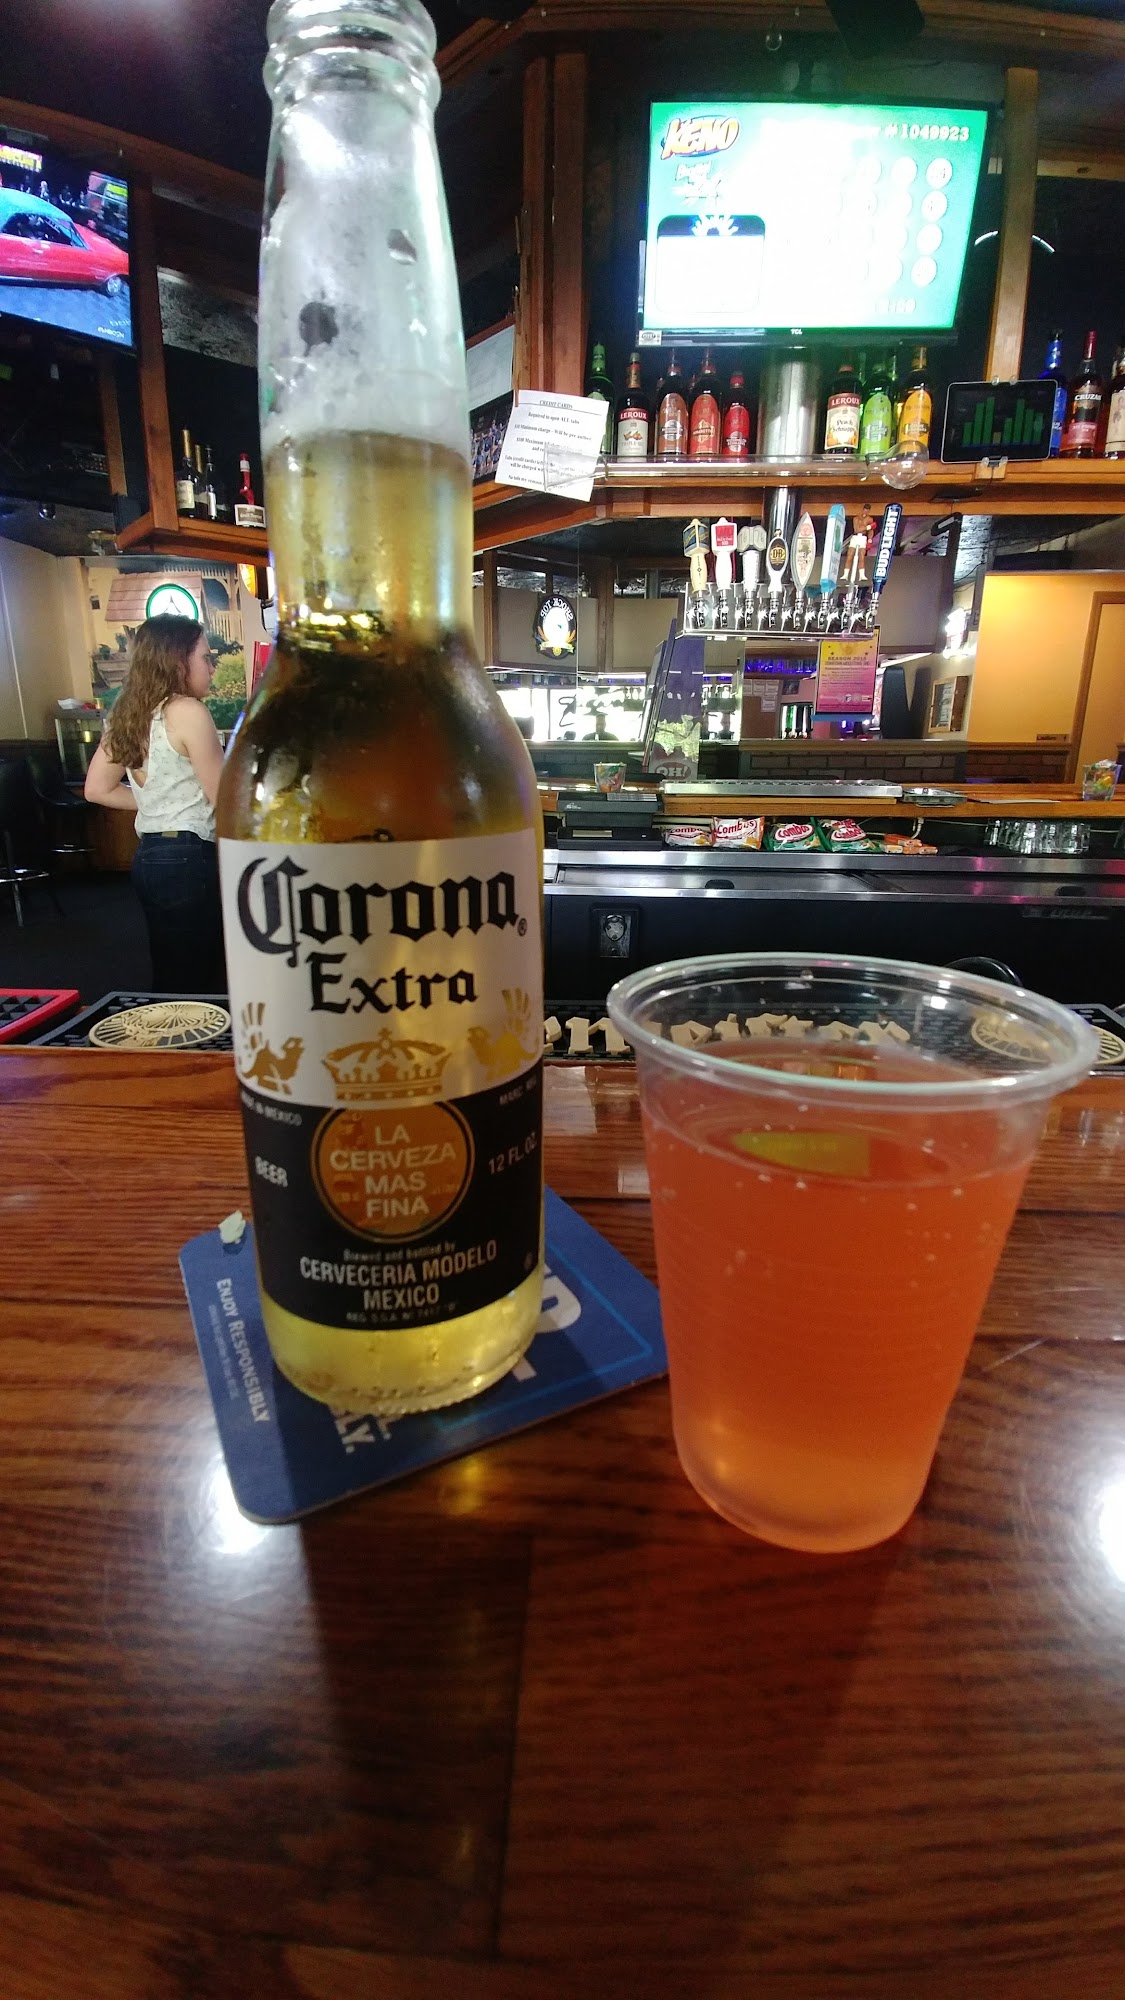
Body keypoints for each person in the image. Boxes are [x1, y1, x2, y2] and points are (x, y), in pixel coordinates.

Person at [85, 616, 227, 993]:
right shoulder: (190, 712)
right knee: (198, 976)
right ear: (177, 660)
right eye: (206, 658)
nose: (212, 668)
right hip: (189, 857)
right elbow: (225, 799)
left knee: (172, 970)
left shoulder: (130, 713)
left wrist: (161, 803)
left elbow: (96, 789)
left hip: (150, 857)